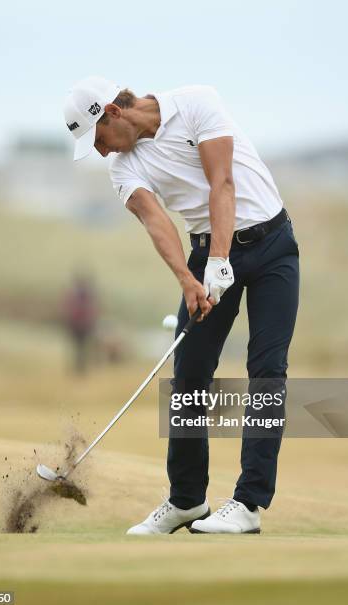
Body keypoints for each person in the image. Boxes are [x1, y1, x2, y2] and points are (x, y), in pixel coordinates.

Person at [63, 76, 299, 534]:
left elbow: (222, 182)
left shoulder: (197, 102)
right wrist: (189, 278)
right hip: (205, 252)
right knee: (189, 374)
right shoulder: (122, 168)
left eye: (98, 140)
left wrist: (220, 259)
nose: (101, 151)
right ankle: (187, 500)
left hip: (272, 246)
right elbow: (156, 220)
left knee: (267, 370)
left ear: (111, 113)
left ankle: (248, 504)